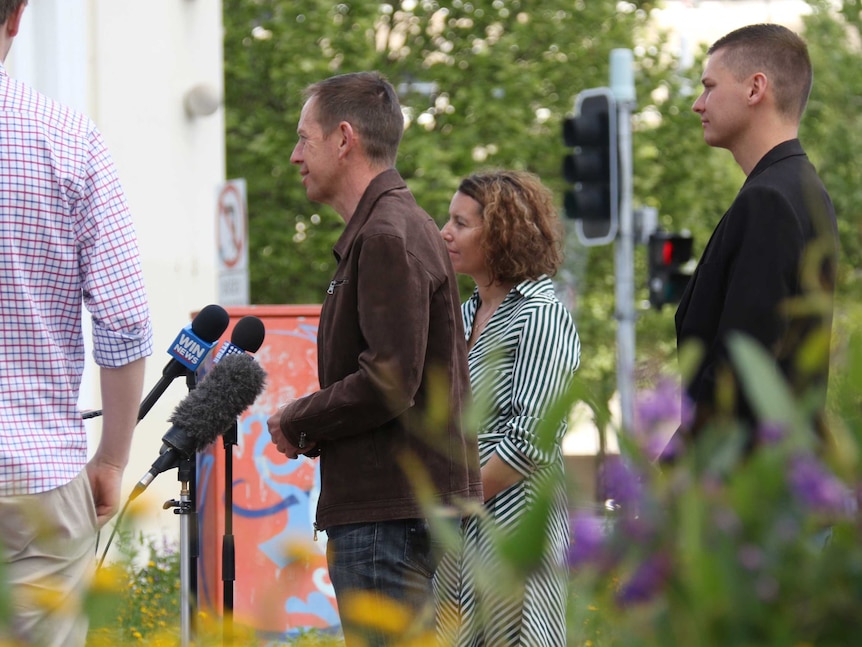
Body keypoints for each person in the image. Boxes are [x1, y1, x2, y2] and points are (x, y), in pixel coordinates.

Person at [266, 71, 483, 646]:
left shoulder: (387, 234)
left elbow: (389, 379)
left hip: (389, 516)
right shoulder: (391, 228)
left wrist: (298, 418)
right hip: (397, 509)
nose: (294, 156)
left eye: (303, 139)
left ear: (344, 139)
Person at [0, 2, 153, 646]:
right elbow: (123, 317)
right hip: (39, 475)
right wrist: (113, 458)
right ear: (17, 17)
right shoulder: (67, 139)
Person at [671, 23, 838, 454]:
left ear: (754, 88)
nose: (697, 104)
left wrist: (671, 476)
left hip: (744, 493)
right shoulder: (799, 187)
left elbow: (741, 371)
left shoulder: (768, 200)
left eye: (709, 86)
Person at [436, 170, 581, 646]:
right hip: (458, 545)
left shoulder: (540, 313)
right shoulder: (461, 313)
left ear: (500, 233)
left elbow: (531, 443)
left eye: (461, 222)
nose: (445, 232)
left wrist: (448, 504)